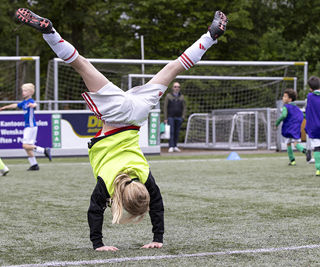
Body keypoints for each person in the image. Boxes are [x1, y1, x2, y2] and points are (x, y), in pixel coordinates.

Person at [16, 8, 227, 250]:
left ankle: (209, 37)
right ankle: (51, 33)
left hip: (138, 112)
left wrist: (158, 238)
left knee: (174, 67)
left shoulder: (144, 175)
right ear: (121, 202)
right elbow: (94, 211)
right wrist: (98, 244)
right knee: (81, 65)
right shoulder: (107, 183)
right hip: (115, 114)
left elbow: (157, 203)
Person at [0, 83, 52, 171]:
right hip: (30, 127)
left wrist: (33, 105)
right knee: (28, 146)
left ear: (30, 92)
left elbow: (35, 105)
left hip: (30, 127)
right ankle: (34, 165)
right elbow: (15, 105)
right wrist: (5, 107)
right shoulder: (24, 102)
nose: (23, 92)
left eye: (25, 91)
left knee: (25, 145)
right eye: (23, 90)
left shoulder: (30, 101)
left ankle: (44, 150)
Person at [275, 88, 307, 166]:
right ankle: (301, 154)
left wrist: (277, 123)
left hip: (288, 128)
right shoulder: (296, 108)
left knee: (289, 143)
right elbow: (303, 115)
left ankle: (295, 159)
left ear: (290, 99)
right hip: (296, 128)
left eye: (285, 96)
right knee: (294, 143)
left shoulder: (286, 107)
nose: (283, 98)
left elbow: (283, 115)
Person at [163, 82, 186, 152]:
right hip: (170, 117)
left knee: (177, 132)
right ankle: (171, 146)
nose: (177, 88)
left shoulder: (182, 97)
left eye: (178, 87)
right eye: (175, 87)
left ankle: (175, 146)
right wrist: (165, 118)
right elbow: (165, 107)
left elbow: (184, 107)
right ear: (172, 88)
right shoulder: (168, 96)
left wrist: (183, 116)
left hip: (179, 117)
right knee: (171, 132)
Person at [305, 76, 320, 176]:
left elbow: (308, 113)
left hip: (315, 127)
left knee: (317, 148)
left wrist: (307, 127)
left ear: (310, 88)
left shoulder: (309, 97)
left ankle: (318, 169)